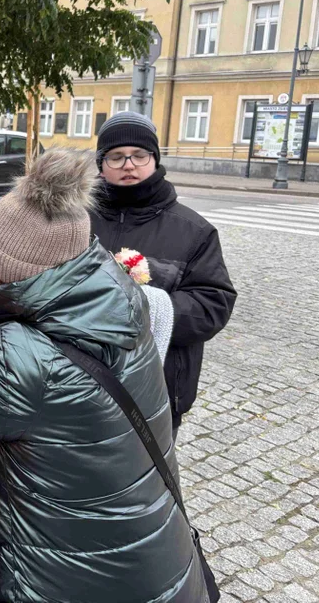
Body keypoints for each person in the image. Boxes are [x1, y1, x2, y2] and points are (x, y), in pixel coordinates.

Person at [0, 149, 209, 602]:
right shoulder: (119, 298)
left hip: (72, 581)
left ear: (11, 269)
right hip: (148, 564)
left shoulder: (28, 359)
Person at [90, 111, 237, 438]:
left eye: (139, 155)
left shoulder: (194, 231)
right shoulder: (74, 220)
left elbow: (213, 304)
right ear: (101, 164)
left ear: (154, 160)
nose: (129, 164)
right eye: (116, 157)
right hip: (80, 383)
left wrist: (146, 306)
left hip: (156, 388)